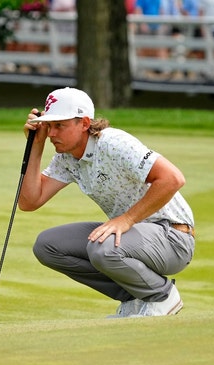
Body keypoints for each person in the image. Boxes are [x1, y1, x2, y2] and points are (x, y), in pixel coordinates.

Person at [20, 87, 195, 318]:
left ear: (83, 123)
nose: (52, 133)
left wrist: (126, 220)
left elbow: (173, 178)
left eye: (59, 125)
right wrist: (36, 144)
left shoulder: (113, 142)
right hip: (133, 238)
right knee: (48, 246)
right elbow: (30, 201)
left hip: (173, 237)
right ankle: (134, 297)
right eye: (49, 126)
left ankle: (161, 296)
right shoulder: (67, 157)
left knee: (102, 248)